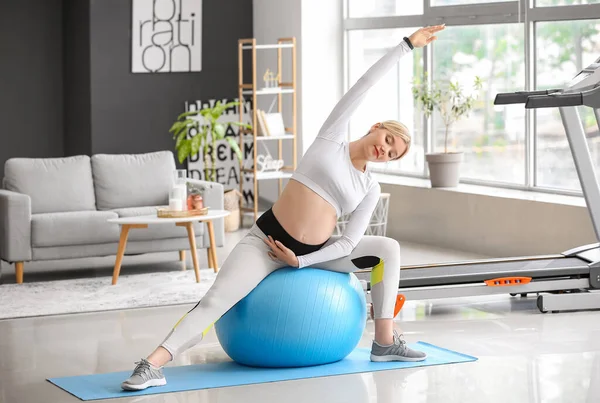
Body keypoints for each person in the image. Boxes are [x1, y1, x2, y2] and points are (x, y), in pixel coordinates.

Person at [121, 24, 445, 391]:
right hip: (267, 243)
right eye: (387, 140)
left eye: (392, 153)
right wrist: (406, 46)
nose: (384, 150)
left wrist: (301, 261)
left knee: (388, 248)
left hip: (318, 253)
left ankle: (385, 342)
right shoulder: (332, 137)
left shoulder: (370, 186)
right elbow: (365, 84)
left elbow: (349, 243)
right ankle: (153, 364)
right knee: (216, 299)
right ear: (376, 128)